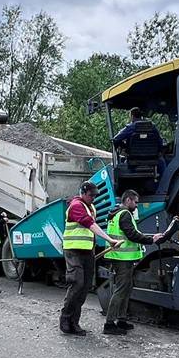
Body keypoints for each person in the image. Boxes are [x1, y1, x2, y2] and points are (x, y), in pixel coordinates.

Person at [60, 181, 123, 336]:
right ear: (83, 192)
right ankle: (65, 320)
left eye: (95, 195)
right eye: (91, 195)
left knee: (85, 286)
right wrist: (110, 240)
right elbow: (90, 225)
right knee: (77, 283)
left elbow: (92, 229)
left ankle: (74, 323)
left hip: (87, 252)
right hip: (73, 250)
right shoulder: (76, 206)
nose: (93, 198)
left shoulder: (91, 207)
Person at [103, 190, 164, 335]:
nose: (136, 205)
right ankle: (109, 324)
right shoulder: (125, 214)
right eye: (135, 202)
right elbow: (132, 235)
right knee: (121, 290)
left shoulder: (116, 213)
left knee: (126, 288)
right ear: (128, 200)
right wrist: (151, 240)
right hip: (122, 259)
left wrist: (149, 236)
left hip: (119, 257)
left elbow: (129, 233)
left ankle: (121, 319)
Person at [112, 107, 166, 176]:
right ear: (141, 116)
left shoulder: (130, 127)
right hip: (153, 159)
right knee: (162, 162)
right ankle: (164, 183)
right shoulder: (152, 127)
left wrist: (125, 147)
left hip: (133, 159)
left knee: (122, 164)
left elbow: (116, 139)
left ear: (132, 116)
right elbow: (160, 142)